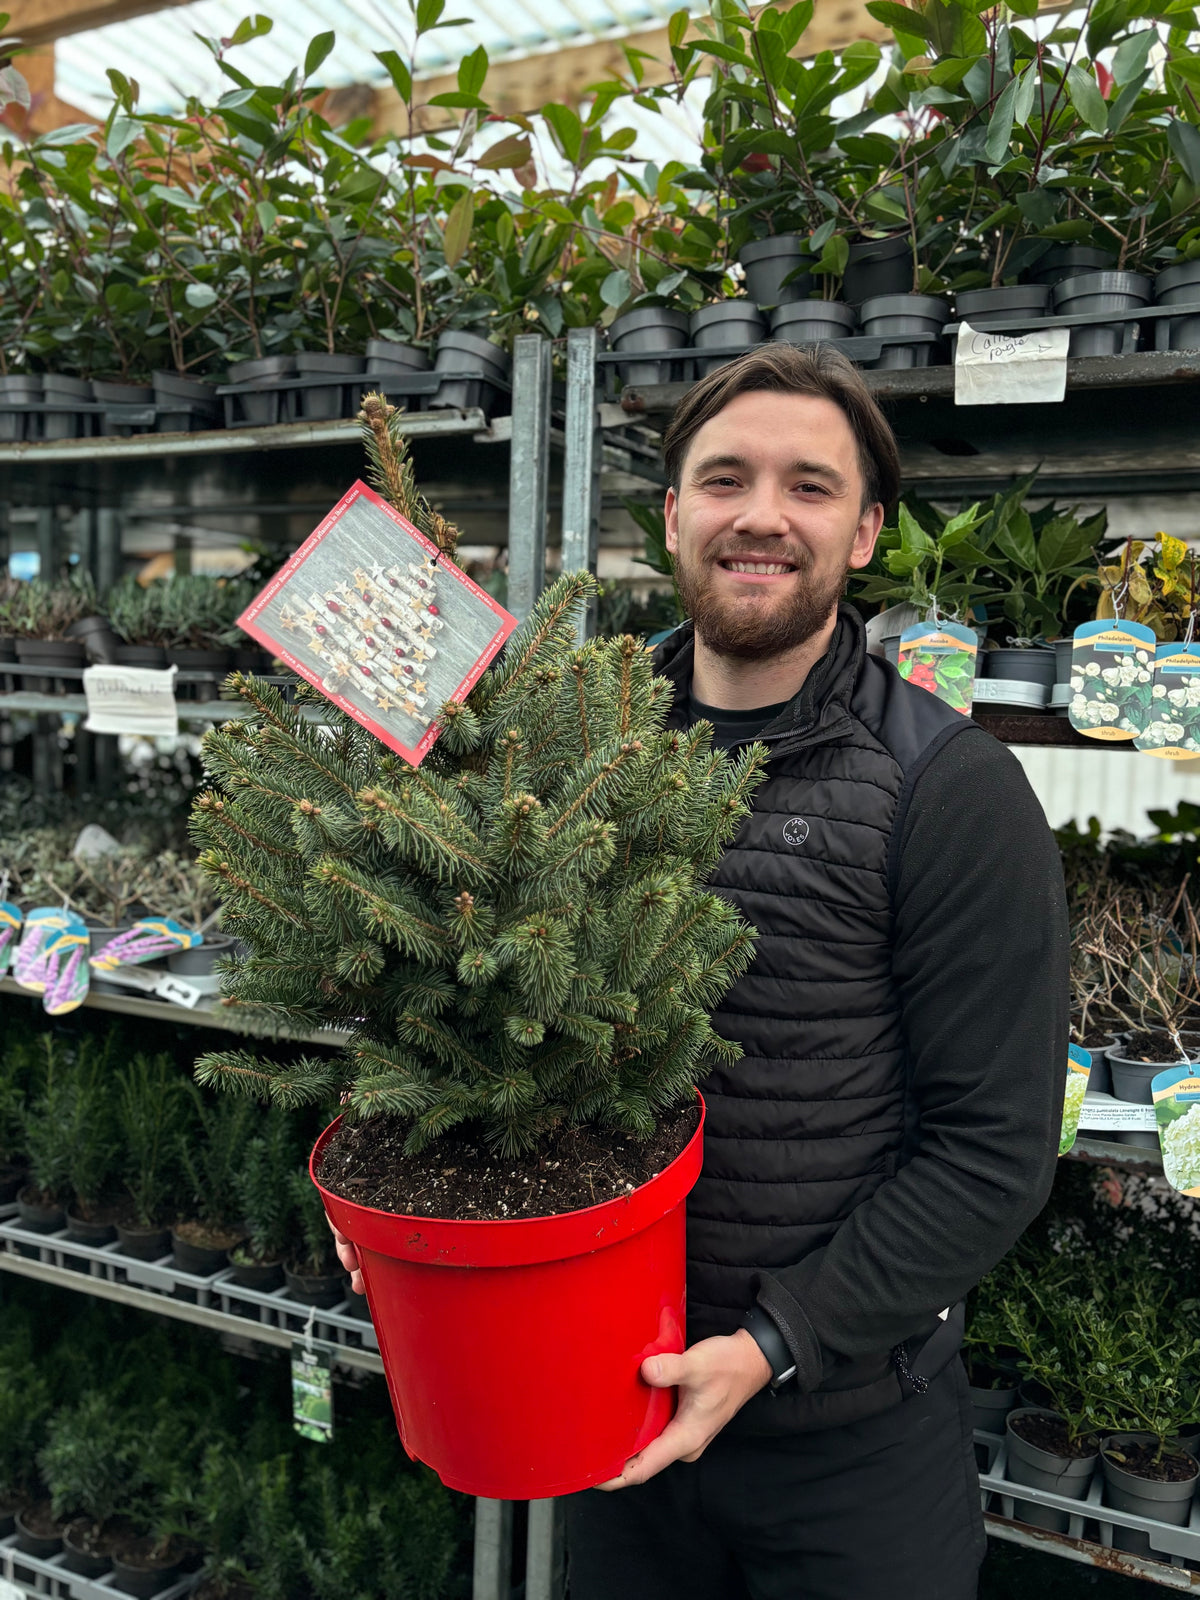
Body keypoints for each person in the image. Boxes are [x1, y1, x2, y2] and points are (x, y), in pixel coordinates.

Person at [332, 344, 1068, 1600]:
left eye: (811, 486)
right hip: (609, 1411)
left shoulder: (949, 789)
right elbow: (465, 1001)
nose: (763, 516)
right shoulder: (572, 746)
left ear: (868, 530)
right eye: (724, 478)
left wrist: (776, 1342)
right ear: (672, 514)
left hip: (846, 1449)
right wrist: (402, 1191)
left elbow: (993, 1152)